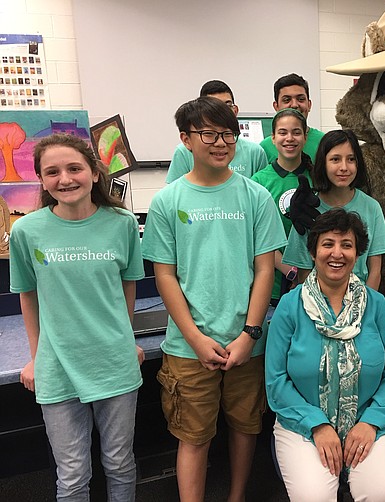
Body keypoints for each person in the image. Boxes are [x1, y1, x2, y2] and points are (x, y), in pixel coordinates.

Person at [141, 97, 287, 502]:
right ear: (186, 139)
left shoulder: (256, 196)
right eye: (209, 133)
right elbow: (164, 274)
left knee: (245, 429)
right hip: (188, 347)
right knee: (193, 436)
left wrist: (250, 334)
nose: (221, 142)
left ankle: (236, 496)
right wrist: (194, 337)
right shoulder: (168, 201)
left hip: (246, 342)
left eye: (228, 134)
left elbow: (264, 269)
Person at [10, 133, 145, 500]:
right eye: (52, 172)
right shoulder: (26, 231)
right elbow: (28, 295)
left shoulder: (122, 224)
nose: (65, 179)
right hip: (58, 366)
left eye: (74, 168)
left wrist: (127, 338)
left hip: (114, 363)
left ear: (94, 172)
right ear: (41, 180)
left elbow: (128, 287)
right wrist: (36, 358)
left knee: (119, 463)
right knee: (72, 474)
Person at [266, 208, 385, 502]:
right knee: (314, 497)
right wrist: (317, 425)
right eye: (328, 243)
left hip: (369, 423)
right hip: (305, 426)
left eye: (347, 245)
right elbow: (276, 382)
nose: (337, 253)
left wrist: (370, 422)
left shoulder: (377, 305)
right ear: (313, 251)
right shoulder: (289, 307)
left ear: (357, 254)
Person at [282, 129, 385, 290]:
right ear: (323, 163)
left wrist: (365, 307)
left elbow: (375, 271)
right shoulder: (307, 208)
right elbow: (303, 272)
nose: (344, 167)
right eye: (335, 159)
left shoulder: (372, 207)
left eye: (351, 159)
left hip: (360, 302)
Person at [252, 108, 313, 306]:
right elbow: (256, 236)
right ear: (273, 137)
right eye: (283, 132)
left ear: (305, 137)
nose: (290, 138)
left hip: (316, 276)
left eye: (296, 132)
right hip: (273, 280)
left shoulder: (319, 178)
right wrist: (288, 270)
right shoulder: (258, 182)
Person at [165, 80, 267, 183]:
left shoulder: (255, 152)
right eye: (213, 107)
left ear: (235, 110)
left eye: (227, 106)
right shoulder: (183, 151)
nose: (221, 113)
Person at [259, 73, 325, 163]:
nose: (294, 105)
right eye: (287, 100)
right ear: (276, 106)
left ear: (309, 105)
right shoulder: (264, 148)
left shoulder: (324, 142)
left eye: (300, 99)